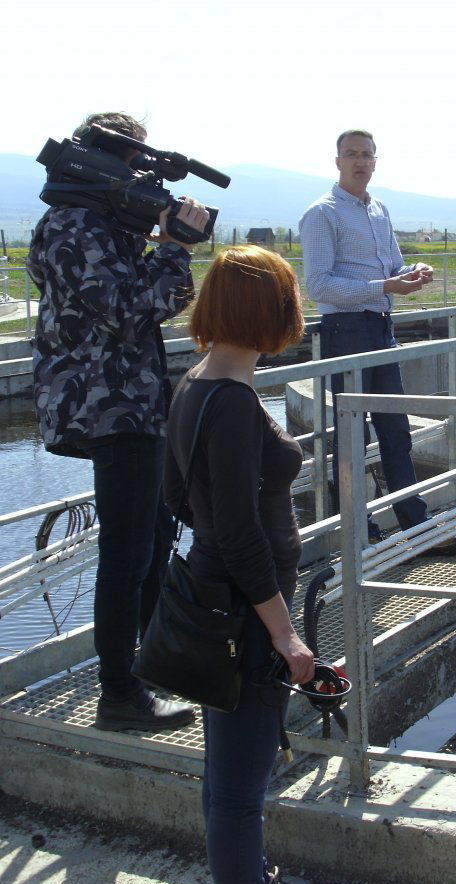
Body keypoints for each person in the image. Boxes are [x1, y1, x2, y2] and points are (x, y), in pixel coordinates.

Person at [28, 111, 210, 732]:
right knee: (127, 555)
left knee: (153, 540)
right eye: (134, 163)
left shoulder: (96, 223)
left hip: (131, 403)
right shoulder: (74, 226)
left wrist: (162, 248)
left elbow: (145, 302)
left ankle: (155, 666)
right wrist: (175, 248)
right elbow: (131, 311)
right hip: (109, 407)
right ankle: (120, 695)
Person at [165, 245, 318, 884]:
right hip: (247, 615)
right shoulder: (230, 400)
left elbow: (177, 497)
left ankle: (255, 882)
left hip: (220, 601)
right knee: (238, 794)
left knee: (225, 774)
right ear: (272, 311)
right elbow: (238, 532)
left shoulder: (196, 382)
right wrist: (284, 634)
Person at [299, 128, 456, 555]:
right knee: (352, 437)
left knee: (396, 431)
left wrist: (413, 272)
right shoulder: (321, 213)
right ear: (337, 161)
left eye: (367, 154)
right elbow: (319, 285)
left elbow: (394, 266)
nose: (360, 161)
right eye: (351, 154)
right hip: (345, 331)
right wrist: (385, 285)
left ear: (375, 161)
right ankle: (360, 534)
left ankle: (417, 527)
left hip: (381, 328)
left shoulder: (379, 209)